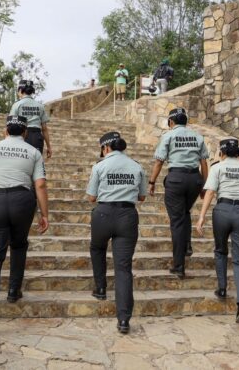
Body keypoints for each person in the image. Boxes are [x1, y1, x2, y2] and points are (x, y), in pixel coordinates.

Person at [0, 115, 50, 330]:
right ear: (25, 132)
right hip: (22, 200)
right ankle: (13, 291)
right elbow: (40, 185)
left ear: (6, 131)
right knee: (18, 246)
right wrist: (44, 214)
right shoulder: (34, 152)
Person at [86, 131, 147, 334]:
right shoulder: (136, 166)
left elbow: (91, 197)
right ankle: (123, 320)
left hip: (103, 213)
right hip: (127, 216)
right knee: (123, 268)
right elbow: (142, 197)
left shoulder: (100, 166)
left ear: (106, 148)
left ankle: (100, 288)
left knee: (97, 248)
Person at [196, 138, 239, 324]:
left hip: (222, 211)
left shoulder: (218, 168)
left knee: (220, 250)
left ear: (221, 153)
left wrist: (201, 217)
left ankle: (222, 288)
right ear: (238, 153)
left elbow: (210, 192)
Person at [148, 107, 209, 278]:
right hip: (195, 180)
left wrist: (152, 182)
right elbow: (204, 163)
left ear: (171, 121)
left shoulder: (168, 136)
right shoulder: (197, 136)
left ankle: (179, 265)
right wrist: (204, 186)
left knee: (176, 221)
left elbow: (159, 162)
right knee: (184, 212)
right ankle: (187, 244)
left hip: (176, 180)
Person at [10, 80, 52, 158]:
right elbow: (44, 129)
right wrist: (49, 146)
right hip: (37, 137)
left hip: (22, 136)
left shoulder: (17, 105)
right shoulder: (40, 106)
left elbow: (11, 125)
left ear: (20, 90)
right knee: (36, 161)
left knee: (22, 162)